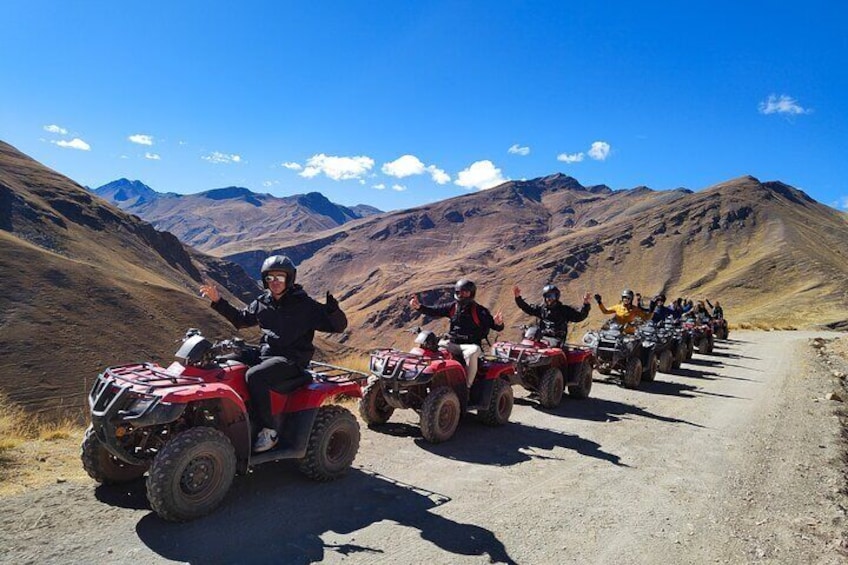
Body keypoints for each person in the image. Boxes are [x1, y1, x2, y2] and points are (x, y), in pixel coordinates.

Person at [200, 255, 347, 453]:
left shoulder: (305, 305)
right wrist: (218, 301)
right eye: (270, 278)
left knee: (255, 376)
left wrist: (333, 311)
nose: (274, 282)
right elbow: (241, 320)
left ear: (289, 279)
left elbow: (337, 327)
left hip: (291, 359)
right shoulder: (263, 302)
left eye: (279, 277)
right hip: (266, 354)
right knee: (224, 363)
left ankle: (268, 431)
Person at [409, 279, 504, 387]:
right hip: (452, 343)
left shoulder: (480, 311)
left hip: (470, 345)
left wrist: (498, 324)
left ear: (471, 293)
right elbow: (435, 311)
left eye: (465, 292)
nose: (461, 295)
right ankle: (420, 376)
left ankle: (467, 386)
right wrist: (419, 307)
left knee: (473, 352)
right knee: (430, 346)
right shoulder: (453, 307)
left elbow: (494, 326)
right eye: (459, 292)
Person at [513, 284, 591, 346]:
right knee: (528, 343)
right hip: (541, 337)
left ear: (556, 297)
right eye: (547, 296)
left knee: (547, 350)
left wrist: (586, 305)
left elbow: (580, 316)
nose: (549, 299)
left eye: (551, 296)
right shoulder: (542, 309)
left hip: (556, 340)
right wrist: (518, 298)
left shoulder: (564, 310)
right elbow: (527, 308)